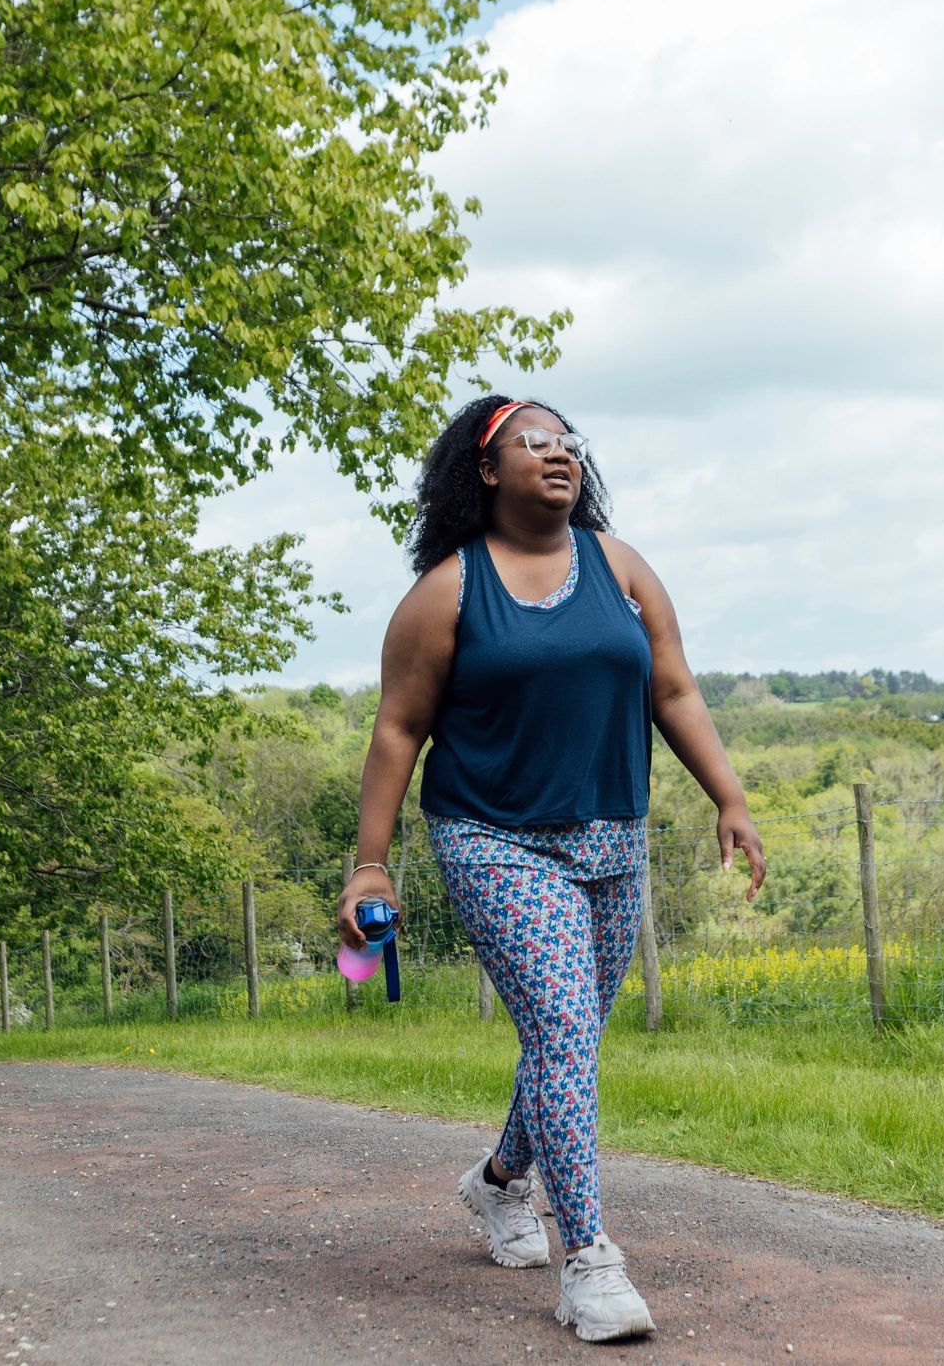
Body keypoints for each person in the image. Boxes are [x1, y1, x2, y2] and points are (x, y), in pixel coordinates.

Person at [339, 394, 766, 1344]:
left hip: (615, 838)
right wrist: (370, 867)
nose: (558, 454)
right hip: (495, 838)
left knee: (565, 1040)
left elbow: (673, 688)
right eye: (532, 443)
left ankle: (496, 1185)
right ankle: (590, 1262)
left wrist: (728, 798)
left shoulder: (619, 567)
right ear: (485, 473)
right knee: (566, 1027)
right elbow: (398, 730)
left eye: (567, 442)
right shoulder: (446, 595)